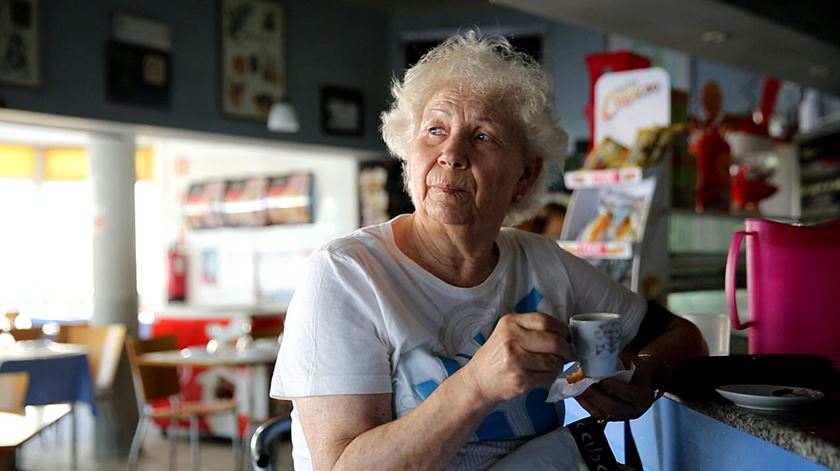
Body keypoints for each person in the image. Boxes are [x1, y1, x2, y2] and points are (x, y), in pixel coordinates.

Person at [271, 31, 706, 470]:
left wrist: (646, 373)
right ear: (409, 152)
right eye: (435, 130)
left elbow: (684, 338)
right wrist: (476, 385)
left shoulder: (543, 263)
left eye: (482, 137)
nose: (451, 154)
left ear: (525, 174)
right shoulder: (346, 274)